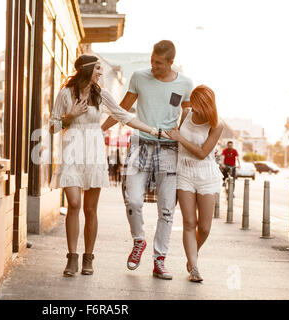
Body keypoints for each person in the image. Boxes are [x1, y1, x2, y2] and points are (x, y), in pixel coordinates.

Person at [49, 54, 161, 277]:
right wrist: (69, 116)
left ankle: (88, 257)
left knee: (90, 209)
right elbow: (53, 126)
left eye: (101, 68)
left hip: (94, 154)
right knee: (73, 203)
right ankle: (71, 257)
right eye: (98, 68)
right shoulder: (65, 94)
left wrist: (152, 130)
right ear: (86, 69)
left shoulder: (101, 96)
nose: (101, 72)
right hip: (72, 153)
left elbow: (124, 116)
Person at [101, 40, 194, 280]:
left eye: (159, 64)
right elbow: (123, 109)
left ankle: (159, 261)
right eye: (152, 61)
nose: (154, 67)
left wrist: (185, 137)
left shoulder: (185, 83)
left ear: (171, 62)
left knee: (166, 210)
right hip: (140, 145)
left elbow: (188, 113)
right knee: (132, 200)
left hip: (170, 150)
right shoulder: (139, 77)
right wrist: (99, 130)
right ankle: (139, 240)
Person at [165, 85, 224, 282]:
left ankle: (193, 254)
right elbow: (174, 136)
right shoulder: (186, 114)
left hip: (206, 174)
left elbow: (201, 153)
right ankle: (194, 267)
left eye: (199, 104)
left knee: (205, 227)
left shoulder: (217, 125)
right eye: (194, 102)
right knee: (189, 223)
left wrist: (179, 138)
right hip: (185, 172)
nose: (194, 107)